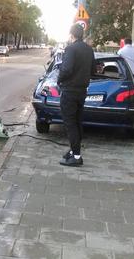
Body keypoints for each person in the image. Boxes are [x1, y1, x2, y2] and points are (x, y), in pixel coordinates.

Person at [58, 23, 95, 167]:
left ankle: (77, 156)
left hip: (69, 91)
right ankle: (74, 151)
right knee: (77, 121)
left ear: (71, 35)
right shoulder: (88, 49)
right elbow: (93, 70)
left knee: (70, 123)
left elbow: (66, 69)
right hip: (82, 91)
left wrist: (59, 79)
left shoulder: (71, 49)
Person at [117, 38, 134, 107]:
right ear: (131, 43)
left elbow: (119, 63)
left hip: (127, 72)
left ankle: (128, 103)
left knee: (127, 89)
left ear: (125, 43)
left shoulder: (121, 51)